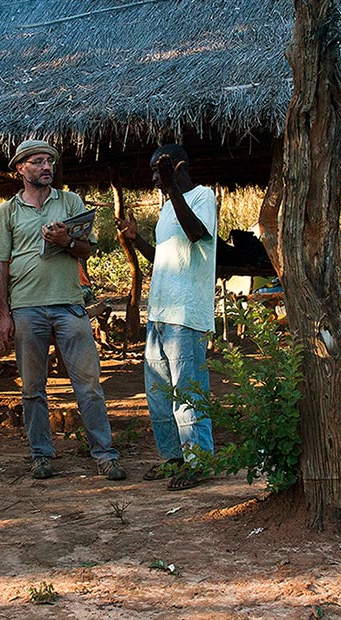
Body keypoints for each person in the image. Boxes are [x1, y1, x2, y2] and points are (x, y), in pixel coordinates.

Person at [0, 139, 125, 481]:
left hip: (69, 305)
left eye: (49, 161)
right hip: (26, 308)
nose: (46, 166)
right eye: (37, 161)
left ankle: (105, 454)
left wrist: (66, 242)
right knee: (32, 388)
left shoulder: (71, 202)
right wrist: (4, 314)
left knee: (88, 385)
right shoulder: (8, 212)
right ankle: (41, 455)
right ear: (21, 168)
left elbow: (86, 250)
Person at [115, 144, 217, 490]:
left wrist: (173, 190)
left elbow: (196, 233)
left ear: (179, 166)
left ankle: (199, 461)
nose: (155, 179)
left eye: (160, 170)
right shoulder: (166, 209)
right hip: (159, 313)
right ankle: (174, 458)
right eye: (154, 173)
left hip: (185, 314)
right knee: (159, 397)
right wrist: (136, 238)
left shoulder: (203, 197)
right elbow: (161, 257)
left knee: (188, 393)